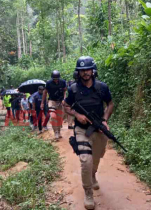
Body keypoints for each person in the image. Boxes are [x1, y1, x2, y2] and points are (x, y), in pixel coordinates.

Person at [63, 56, 114, 209]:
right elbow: (65, 106)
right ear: (77, 73)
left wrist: (104, 119)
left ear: (93, 71)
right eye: (82, 70)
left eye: (88, 70)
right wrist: (78, 115)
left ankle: (93, 174)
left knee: (96, 158)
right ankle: (88, 192)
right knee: (85, 160)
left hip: (99, 128)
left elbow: (110, 104)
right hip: (81, 129)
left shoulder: (102, 88)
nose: (85, 73)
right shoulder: (73, 89)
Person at [42, 70, 67, 140]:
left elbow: (65, 90)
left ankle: (59, 131)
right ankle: (55, 132)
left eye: (57, 79)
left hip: (60, 101)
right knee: (53, 116)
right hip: (52, 101)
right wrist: (42, 103)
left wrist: (64, 99)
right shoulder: (48, 83)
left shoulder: (63, 82)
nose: (56, 80)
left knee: (59, 117)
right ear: (52, 78)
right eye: (54, 79)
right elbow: (45, 93)